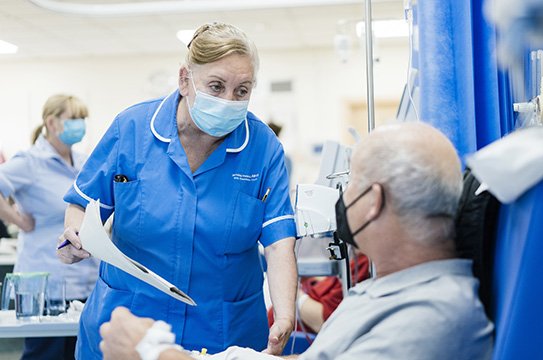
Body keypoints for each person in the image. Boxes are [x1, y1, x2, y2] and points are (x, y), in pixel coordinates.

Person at [99, 122, 494, 360]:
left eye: (350, 182)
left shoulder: (434, 314)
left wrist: (154, 352)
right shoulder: (390, 291)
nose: (341, 197)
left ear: (372, 202)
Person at [56, 22, 297, 359]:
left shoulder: (262, 146)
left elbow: (278, 242)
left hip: (223, 331)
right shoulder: (132, 129)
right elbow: (82, 203)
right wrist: (74, 236)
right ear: (185, 80)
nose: (229, 100)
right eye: (216, 86)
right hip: (128, 324)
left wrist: (285, 314)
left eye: (242, 91)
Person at [0, 94, 99, 360]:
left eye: (82, 118)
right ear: (52, 123)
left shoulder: (83, 162)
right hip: (46, 284)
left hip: (87, 281)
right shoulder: (30, 162)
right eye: (74, 118)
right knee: (46, 355)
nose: (80, 124)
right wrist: (17, 219)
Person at [267, 252, 370, 334]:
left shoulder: (363, 264)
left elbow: (324, 322)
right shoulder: (356, 260)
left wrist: (292, 293)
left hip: (294, 339)